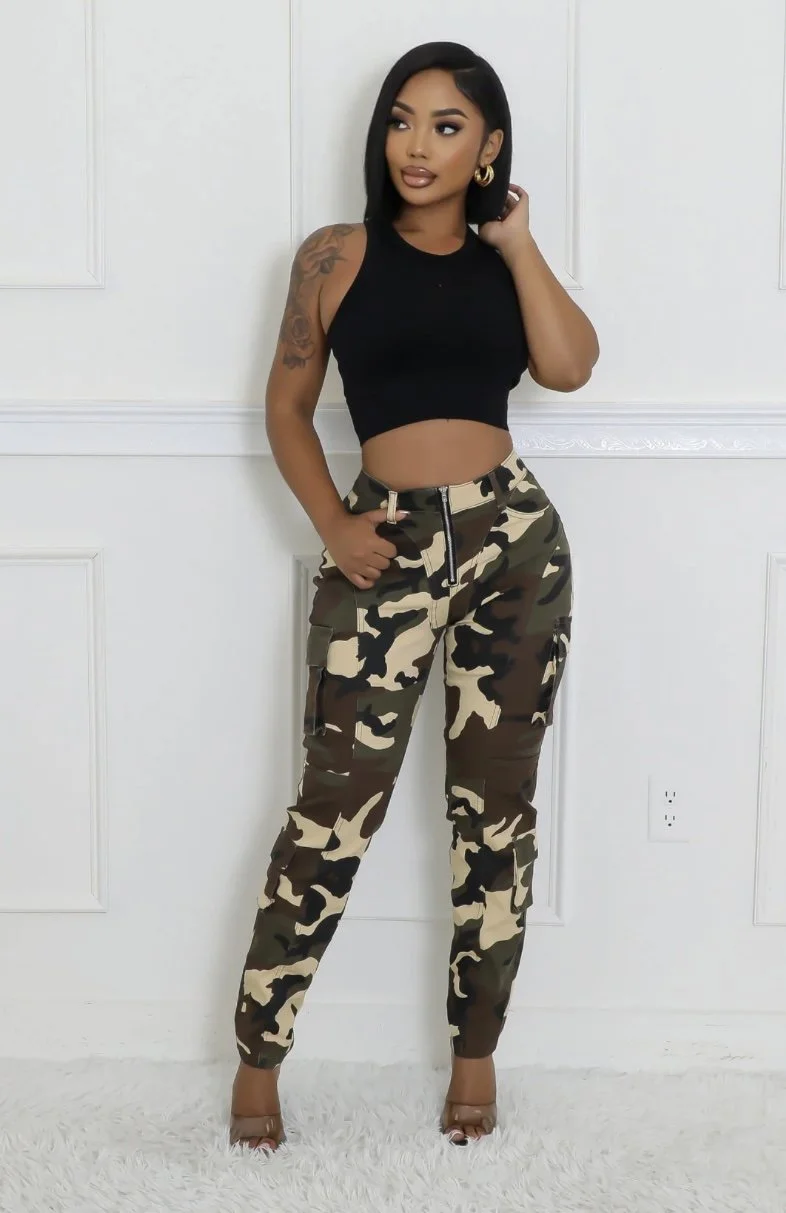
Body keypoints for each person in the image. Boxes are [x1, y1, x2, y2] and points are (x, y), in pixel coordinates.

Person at [229, 39, 599, 1152]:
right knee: (331, 810)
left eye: (447, 126)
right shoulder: (334, 255)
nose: (417, 146)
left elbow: (570, 366)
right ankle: (258, 1057)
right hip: (381, 548)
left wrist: (518, 241)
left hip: (514, 548)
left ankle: (475, 1057)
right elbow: (286, 408)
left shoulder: (501, 261)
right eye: (402, 120)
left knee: (496, 815)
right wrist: (334, 527)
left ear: (488, 147)